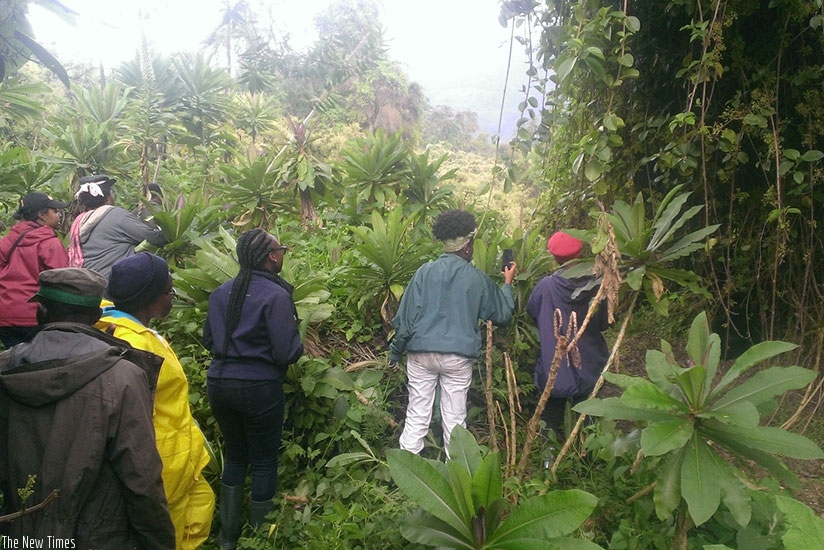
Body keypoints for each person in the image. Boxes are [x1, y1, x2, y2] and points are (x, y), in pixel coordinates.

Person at [0, 267, 175, 549]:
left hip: (20, 533)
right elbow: (141, 478)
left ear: (40, 311)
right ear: (96, 317)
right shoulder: (122, 377)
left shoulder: (6, 368)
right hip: (99, 536)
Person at [100, 252, 215, 550]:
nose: (173, 297)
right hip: (161, 465)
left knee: (200, 506)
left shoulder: (130, 331)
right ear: (149, 299)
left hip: (177, 455)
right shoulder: (134, 345)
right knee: (169, 535)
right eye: (169, 291)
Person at [203, 228, 303, 550]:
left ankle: (227, 539)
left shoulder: (221, 292)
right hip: (259, 386)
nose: (282, 254)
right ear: (272, 257)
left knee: (234, 457)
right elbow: (287, 352)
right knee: (263, 462)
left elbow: (209, 340)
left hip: (219, 383)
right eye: (281, 250)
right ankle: (260, 539)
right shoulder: (276, 296)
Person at [389, 209, 517, 456]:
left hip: (421, 355)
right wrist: (507, 284)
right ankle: (456, 476)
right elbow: (502, 315)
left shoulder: (423, 273)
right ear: (467, 246)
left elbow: (405, 321)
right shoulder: (476, 278)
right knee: (455, 420)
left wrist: (395, 354)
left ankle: (407, 474)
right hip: (457, 359)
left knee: (417, 413)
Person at [526, 231, 610, 440]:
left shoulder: (545, 286)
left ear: (554, 258)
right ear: (581, 252)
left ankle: (550, 462)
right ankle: (590, 460)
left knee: (550, 420)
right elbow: (604, 322)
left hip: (555, 366)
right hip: (590, 362)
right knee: (589, 418)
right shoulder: (596, 284)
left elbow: (531, 312)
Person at [0, 191, 70, 348]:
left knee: (15, 365)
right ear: (41, 215)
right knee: (41, 365)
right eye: (54, 211)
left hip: (5, 315)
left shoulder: (8, 240)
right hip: (35, 316)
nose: (58, 215)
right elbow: (62, 280)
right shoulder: (49, 243)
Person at [68, 174, 168, 278]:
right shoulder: (115, 214)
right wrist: (172, 230)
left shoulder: (79, 221)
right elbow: (153, 238)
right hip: (113, 282)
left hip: (90, 281)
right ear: (107, 198)